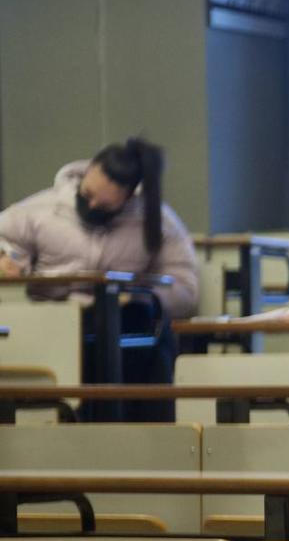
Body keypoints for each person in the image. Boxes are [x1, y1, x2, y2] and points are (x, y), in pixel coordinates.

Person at [0, 137, 198, 421]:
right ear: (87, 171)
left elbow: (185, 286)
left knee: (153, 337)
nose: (91, 205)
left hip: (120, 324)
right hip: (51, 322)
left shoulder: (157, 219)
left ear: (127, 197)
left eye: (104, 207)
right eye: (86, 195)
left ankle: (144, 442)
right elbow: (6, 243)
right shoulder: (40, 209)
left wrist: (144, 296)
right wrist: (6, 260)